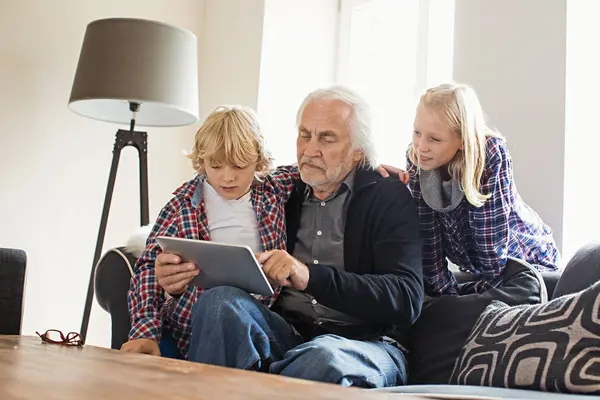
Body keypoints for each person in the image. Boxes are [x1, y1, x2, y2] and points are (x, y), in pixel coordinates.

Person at [151, 86, 424, 388]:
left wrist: (308, 276)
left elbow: (406, 298)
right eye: (304, 135)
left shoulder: (386, 195)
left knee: (322, 359)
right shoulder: (280, 190)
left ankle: (256, 384)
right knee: (219, 302)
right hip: (289, 336)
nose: (309, 150)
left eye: (327, 138)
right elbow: (217, 178)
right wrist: (174, 280)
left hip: (366, 344)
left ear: (357, 151)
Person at [121, 105, 300, 356]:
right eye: (216, 166)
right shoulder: (180, 207)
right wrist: (145, 332)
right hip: (193, 325)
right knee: (216, 300)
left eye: (238, 167)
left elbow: (315, 169)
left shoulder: (273, 189)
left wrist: (370, 169)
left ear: (258, 161)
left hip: (256, 321)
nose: (227, 178)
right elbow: (148, 270)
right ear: (202, 161)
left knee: (225, 301)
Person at [399, 82, 560, 296]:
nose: (421, 146)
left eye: (434, 139)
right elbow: (427, 235)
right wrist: (444, 292)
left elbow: (490, 239)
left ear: (463, 140)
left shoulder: (489, 154)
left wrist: (474, 296)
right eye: (417, 132)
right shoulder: (417, 157)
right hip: (480, 270)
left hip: (525, 263)